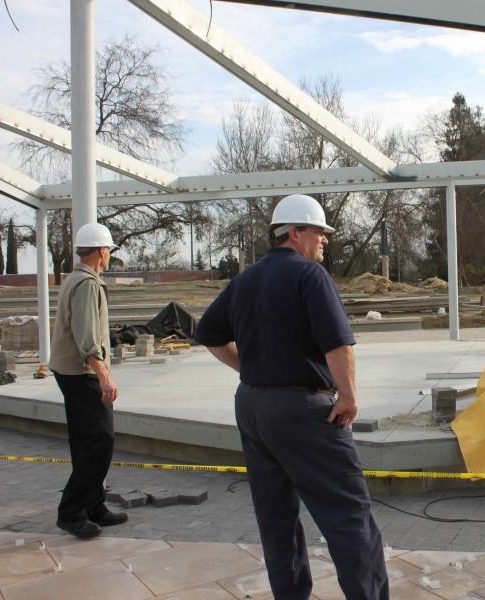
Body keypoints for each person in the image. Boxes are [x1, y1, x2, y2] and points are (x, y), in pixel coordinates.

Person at [196, 194, 388, 600]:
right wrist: (349, 396)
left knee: (276, 519)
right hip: (303, 411)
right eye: (319, 232)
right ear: (294, 232)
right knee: (348, 515)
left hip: (253, 407)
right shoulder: (309, 276)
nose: (325, 241)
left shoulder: (245, 279)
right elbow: (339, 345)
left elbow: (209, 335)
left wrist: (249, 370)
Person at [50, 222, 127, 539]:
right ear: (101, 251)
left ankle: (94, 505)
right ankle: (71, 512)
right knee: (100, 441)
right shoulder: (87, 285)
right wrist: (104, 375)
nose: (109, 255)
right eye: (108, 250)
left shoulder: (75, 279)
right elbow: (86, 337)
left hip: (69, 370)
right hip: (82, 374)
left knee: (85, 441)